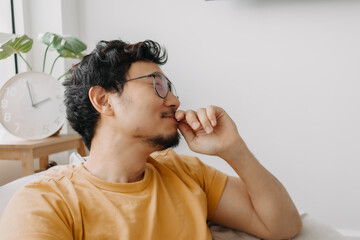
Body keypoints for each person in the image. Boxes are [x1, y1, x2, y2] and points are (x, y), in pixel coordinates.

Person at [0, 39, 302, 240]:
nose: (174, 99)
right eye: (157, 85)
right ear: (104, 100)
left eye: (169, 87)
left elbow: (284, 226)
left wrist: (235, 150)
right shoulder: (45, 202)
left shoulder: (186, 173)